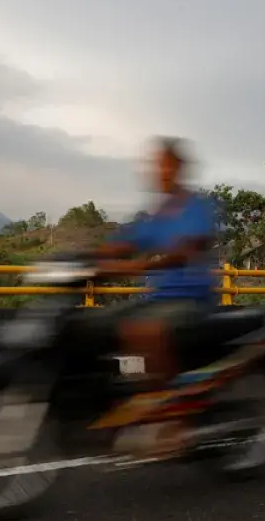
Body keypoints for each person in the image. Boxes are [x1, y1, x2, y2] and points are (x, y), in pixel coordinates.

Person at [92, 136, 217, 458]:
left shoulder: (196, 208)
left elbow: (187, 249)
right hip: (157, 298)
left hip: (190, 298)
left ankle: (174, 418)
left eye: (164, 165)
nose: (158, 171)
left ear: (179, 169)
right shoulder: (156, 215)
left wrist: (141, 264)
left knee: (144, 330)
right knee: (90, 325)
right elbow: (124, 243)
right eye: (155, 165)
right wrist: (86, 258)